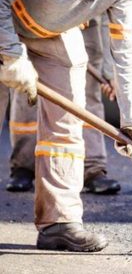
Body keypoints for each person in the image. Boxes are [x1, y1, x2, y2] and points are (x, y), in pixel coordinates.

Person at [0, 0, 132, 252]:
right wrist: (12, 54)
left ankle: (59, 222)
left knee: (67, 116)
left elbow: (127, 46)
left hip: (51, 31)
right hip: (4, 17)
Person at [6, 15, 121, 195]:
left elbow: (114, 21)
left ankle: (92, 169)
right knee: (27, 89)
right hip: (33, 21)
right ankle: (24, 166)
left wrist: (109, 70)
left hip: (86, 26)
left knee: (86, 93)